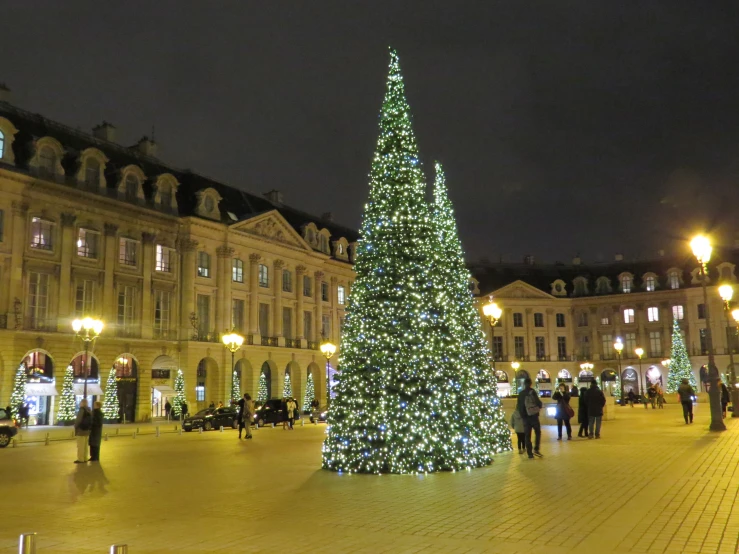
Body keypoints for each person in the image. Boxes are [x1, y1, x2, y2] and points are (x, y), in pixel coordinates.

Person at [516, 378, 543, 459]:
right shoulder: (532, 391)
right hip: (534, 416)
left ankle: (529, 453)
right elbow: (538, 403)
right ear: (531, 384)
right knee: (537, 432)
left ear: (524, 384)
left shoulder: (520, 394)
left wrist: (523, 415)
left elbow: (519, 406)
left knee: (527, 435)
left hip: (525, 418)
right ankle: (536, 449)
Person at [74, 399, 92, 463]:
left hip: (81, 430)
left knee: (80, 446)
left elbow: (78, 420)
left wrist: (75, 426)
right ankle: (85, 458)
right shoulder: (89, 410)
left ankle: (80, 459)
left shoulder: (82, 410)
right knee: (85, 446)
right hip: (87, 430)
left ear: (82, 403)